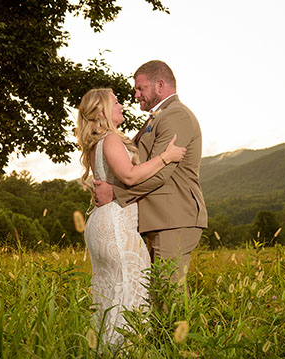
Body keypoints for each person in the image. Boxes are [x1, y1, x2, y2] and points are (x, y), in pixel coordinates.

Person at [76, 88, 186, 344]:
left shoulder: (95, 144)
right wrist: (166, 157)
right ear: (102, 111)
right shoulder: (111, 140)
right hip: (117, 226)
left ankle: (103, 358)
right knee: (130, 295)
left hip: (100, 225)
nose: (122, 105)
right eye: (116, 102)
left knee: (109, 298)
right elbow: (129, 176)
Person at [94, 60, 208, 287]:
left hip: (173, 219)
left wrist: (115, 193)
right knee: (157, 295)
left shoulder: (177, 116)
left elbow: (161, 173)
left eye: (140, 88)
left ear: (160, 85)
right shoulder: (158, 116)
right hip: (158, 219)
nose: (135, 95)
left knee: (168, 295)